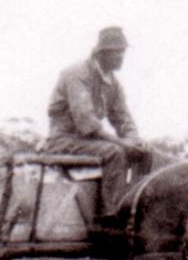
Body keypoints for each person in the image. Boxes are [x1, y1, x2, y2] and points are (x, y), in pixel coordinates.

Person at [44, 26, 149, 220]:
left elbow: (123, 118)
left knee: (143, 153)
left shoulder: (113, 84)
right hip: (63, 141)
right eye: (116, 52)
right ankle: (113, 215)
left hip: (87, 142)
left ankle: (133, 211)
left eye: (122, 52)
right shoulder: (76, 74)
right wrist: (122, 143)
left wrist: (134, 140)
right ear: (102, 53)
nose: (121, 57)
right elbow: (87, 122)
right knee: (114, 152)